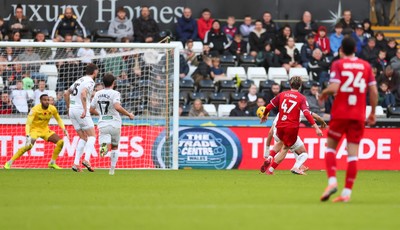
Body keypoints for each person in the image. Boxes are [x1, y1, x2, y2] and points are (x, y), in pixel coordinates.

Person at [319, 37, 378, 203]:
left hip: (340, 113)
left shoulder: (338, 64)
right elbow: (373, 92)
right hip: (358, 115)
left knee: (330, 148)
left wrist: (324, 92)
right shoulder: (366, 66)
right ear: (355, 50)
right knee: (353, 156)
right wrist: (372, 112)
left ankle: (331, 182)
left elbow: (335, 87)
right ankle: (346, 193)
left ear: (341, 50)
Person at [260, 76, 323, 175]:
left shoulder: (282, 94)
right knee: (290, 150)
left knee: (280, 143)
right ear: (300, 86)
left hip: (280, 126)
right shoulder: (301, 98)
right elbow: (307, 113)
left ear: (290, 84)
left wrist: (264, 115)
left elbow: (268, 106)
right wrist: (316, 128)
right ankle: (277, 169)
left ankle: (270, 157)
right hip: (291, 128)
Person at [3, 94, 69, 169]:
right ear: (40, 101)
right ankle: (9, 162)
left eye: (48, 100)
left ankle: (52, 163)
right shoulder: (35, 109)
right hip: (34, 130)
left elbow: (58, 119)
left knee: (61, 142)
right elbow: (28, 124)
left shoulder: (52, 109)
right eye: (45, 100)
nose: (47, 102)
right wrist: (27, 135)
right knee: (28, 146)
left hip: (45, 130)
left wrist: (64, 129)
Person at [89, 73, 134, 175]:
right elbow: (117, 107)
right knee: (114, 147)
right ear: (113, 83)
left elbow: (91, 109)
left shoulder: (97, 94)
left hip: (103, 124)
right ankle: (112, 170)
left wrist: (100, 114)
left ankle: (104, 147)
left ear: (103, 83)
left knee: (104, 145)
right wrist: (128, 114)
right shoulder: (115, 93)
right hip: (115, 123)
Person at [261, 111, 327, 175]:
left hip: (276, 133)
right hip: (288, 132)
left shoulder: (282, 109)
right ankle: (272, 170)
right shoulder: (299, 108)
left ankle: (270, 157)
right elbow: (316, 117)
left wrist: (267, 152)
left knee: (286, 144)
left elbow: (270, 133)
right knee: (302, 153)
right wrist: (323, 122)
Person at [64, 63, 98, 172]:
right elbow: (83, 93)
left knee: (83, 137)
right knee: (92, 136)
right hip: (80, 110)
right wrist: (84, 109)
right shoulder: (90, 81)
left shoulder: (79, 80)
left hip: (72, 110)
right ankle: (87, 160)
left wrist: (69, 107)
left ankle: (75, 163)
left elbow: (66, 93)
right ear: (95, 72)